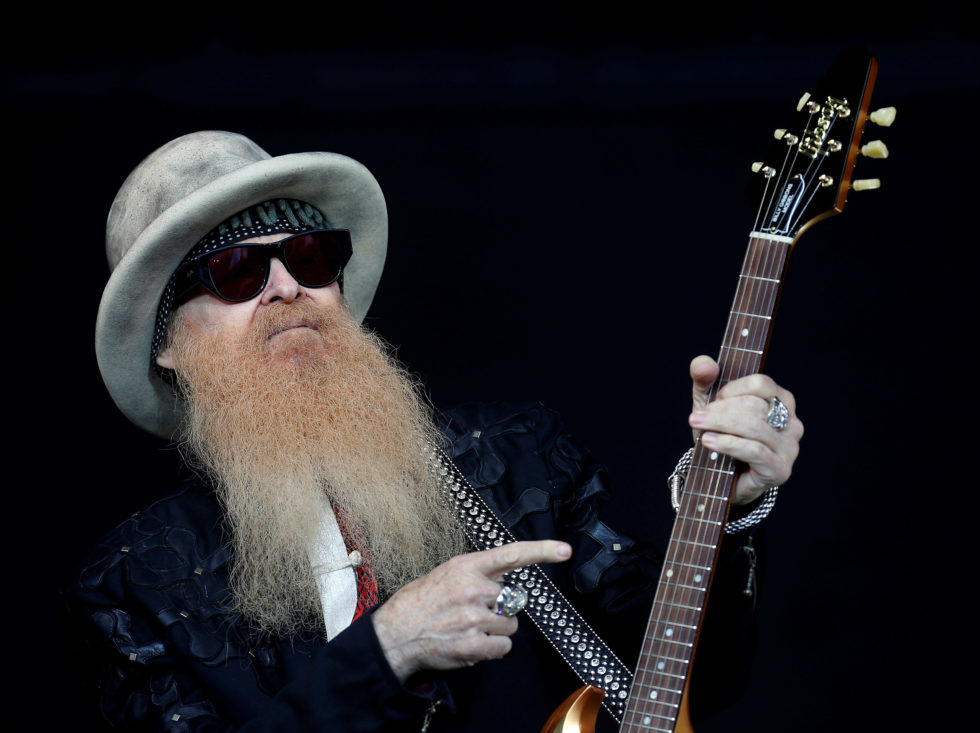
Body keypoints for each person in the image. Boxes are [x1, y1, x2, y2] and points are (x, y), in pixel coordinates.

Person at [66, 130, 803, 732]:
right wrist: (386, 649)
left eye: (310, 256)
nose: (287, 286)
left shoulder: (517, 457)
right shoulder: (136, 583)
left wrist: (729, 509)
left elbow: (681, 684)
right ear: (168, 343)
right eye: (234, 270)